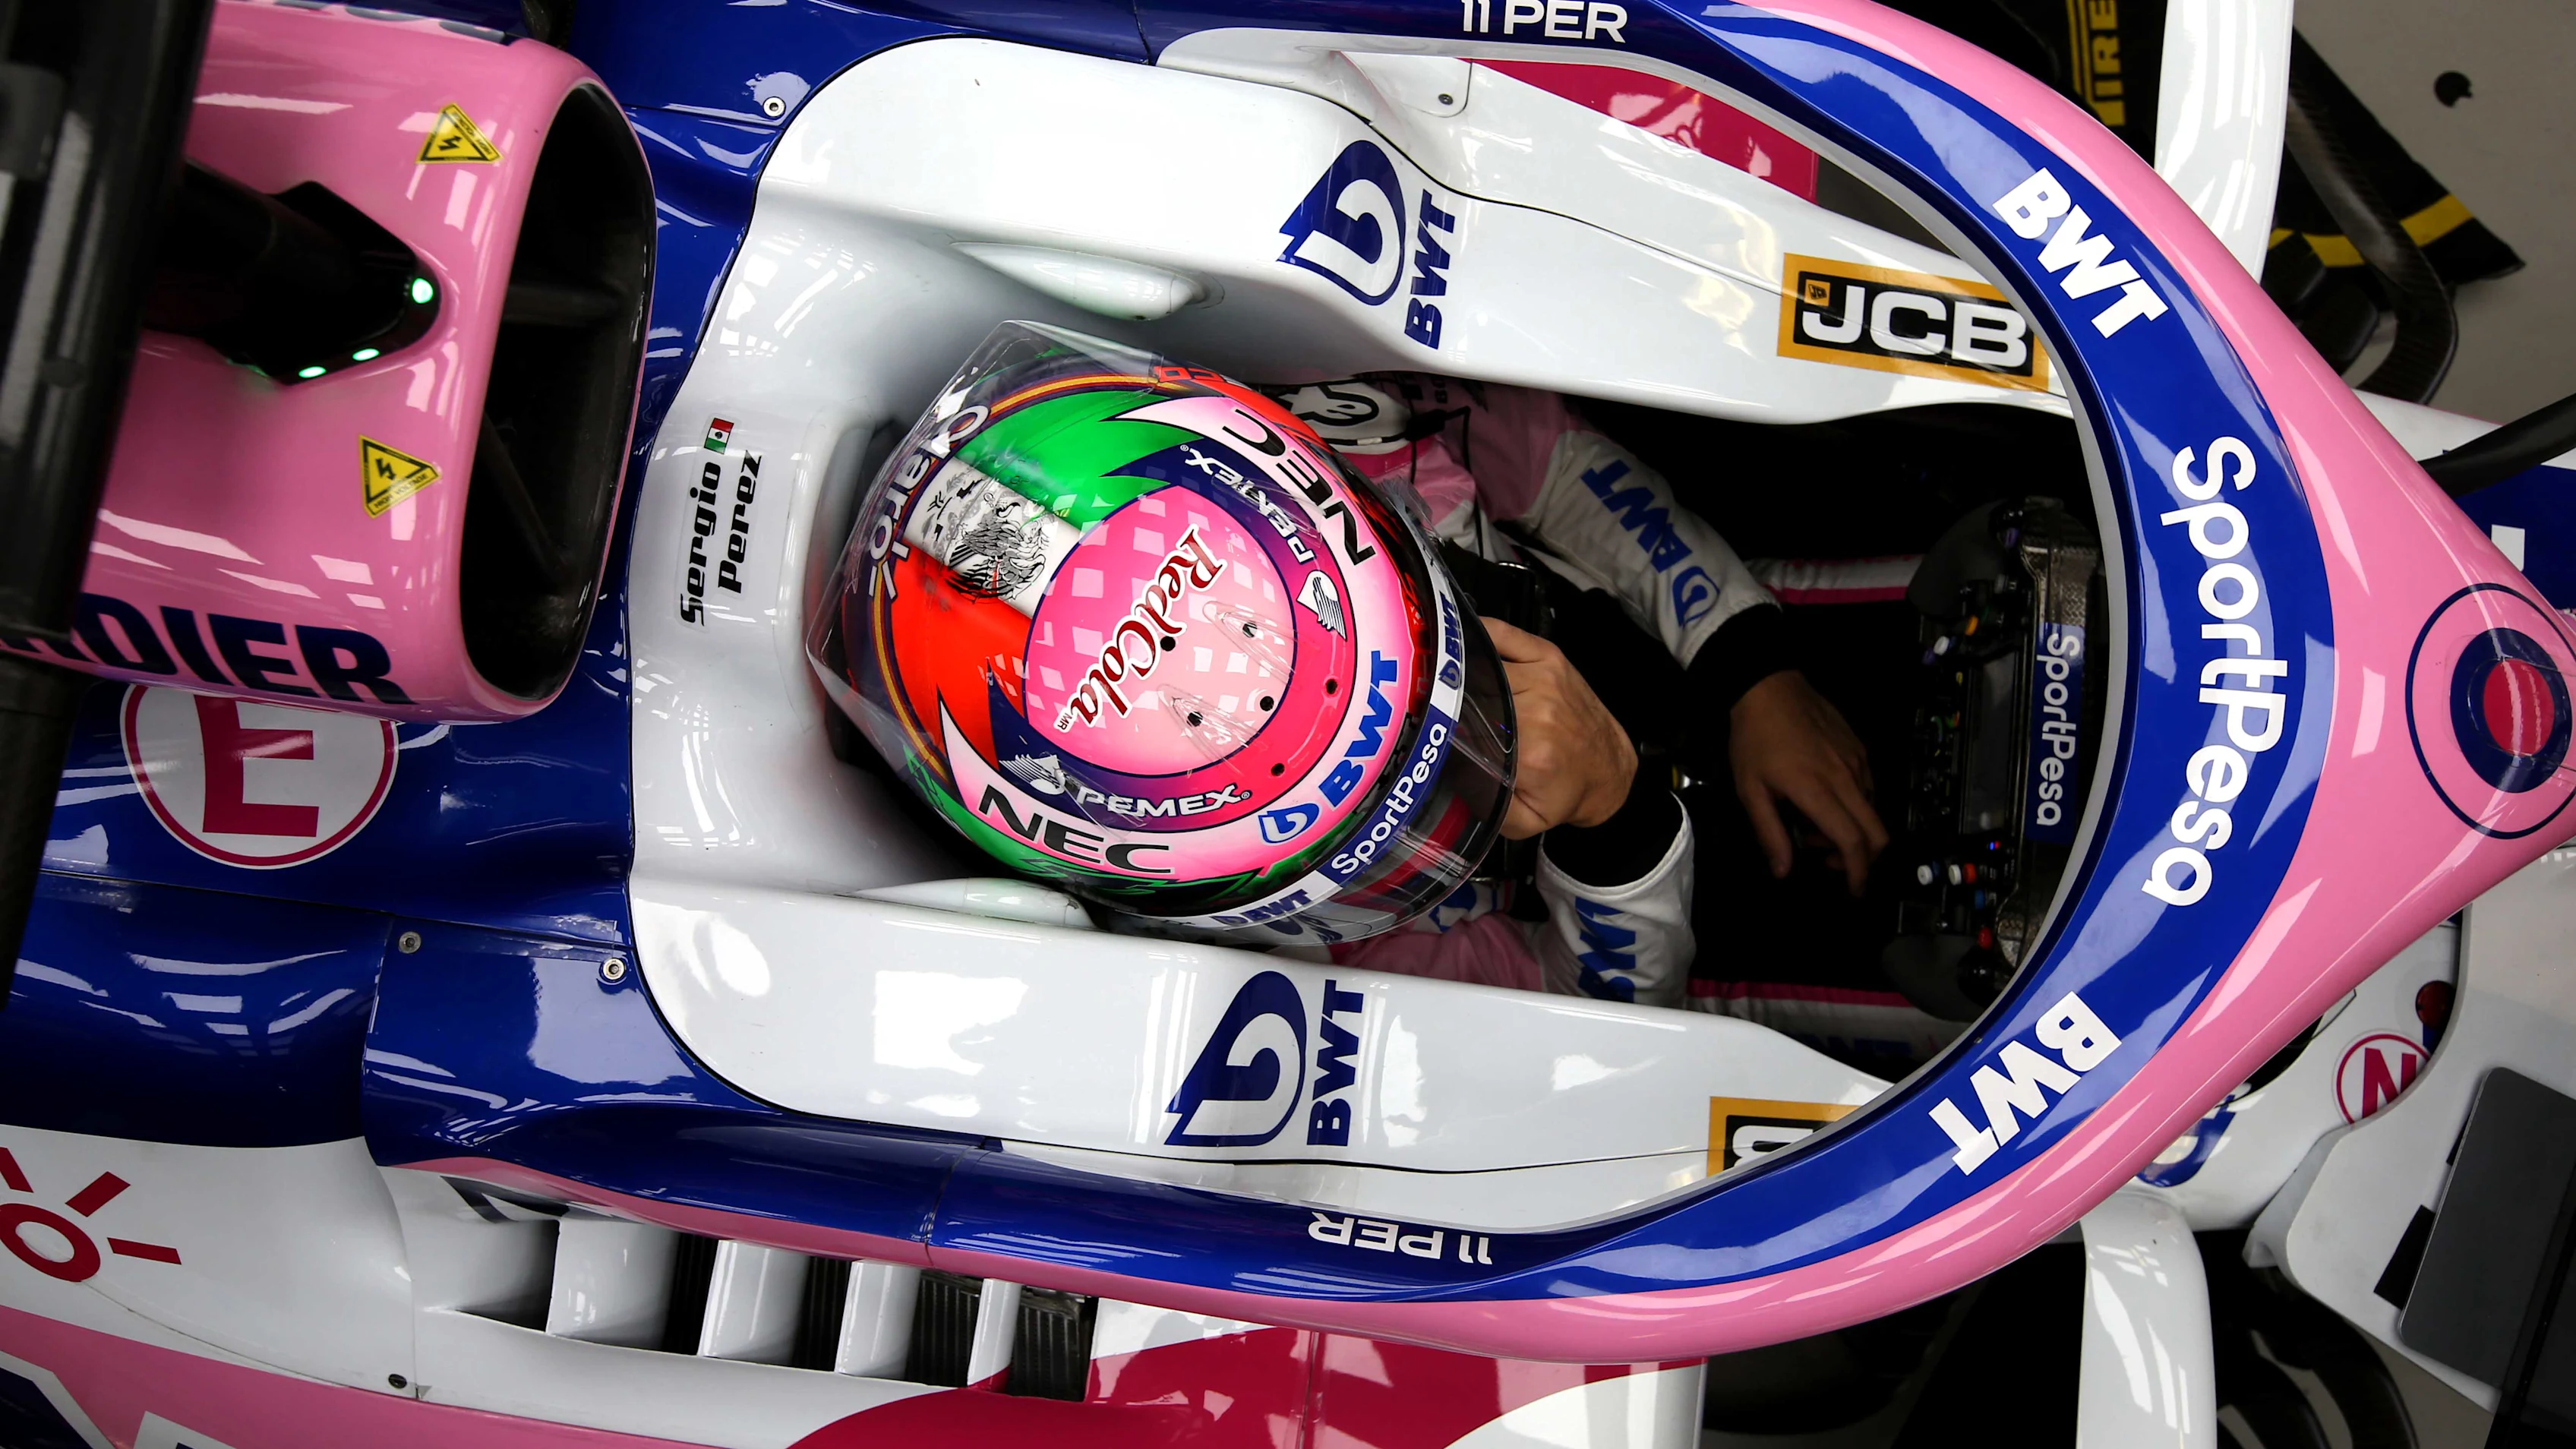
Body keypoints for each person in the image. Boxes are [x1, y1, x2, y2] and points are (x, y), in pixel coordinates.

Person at [1273, 376, 1887, 1008]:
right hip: (1663, 936)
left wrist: (1752, 668)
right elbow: (1596, 1023)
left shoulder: (1327, 402)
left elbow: (1556, 468)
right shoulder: (1281, 952)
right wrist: (1613, 816)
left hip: (1678, 640)